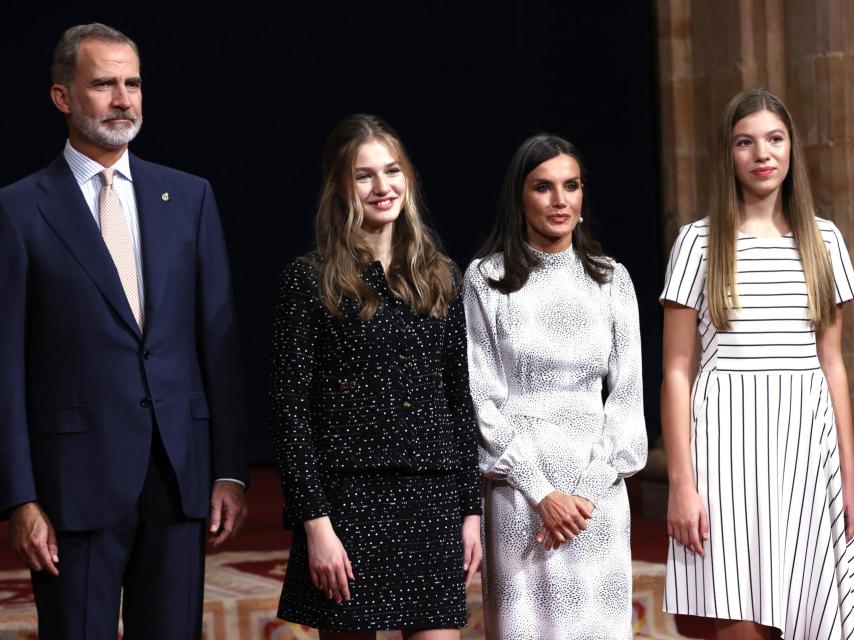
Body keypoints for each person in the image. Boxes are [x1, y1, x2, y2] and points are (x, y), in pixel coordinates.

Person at [0, 23, 249, 639]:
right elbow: (6, 366)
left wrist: (230, 470)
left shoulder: (188, 197)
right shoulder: (17, 209)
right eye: (103, 84)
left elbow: (218, 343)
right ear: (63, 97)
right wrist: (20, 499)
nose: (123, 99)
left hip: (177, 474)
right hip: (71, 484)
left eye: (132, 83)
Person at [268, 113, 482, 639]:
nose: (382, 187)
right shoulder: (309, 279)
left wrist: (470, 511)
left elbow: (459, 400)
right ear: (341, 187)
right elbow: (290, 412)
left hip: (431, 500)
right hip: (348, 504)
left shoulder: (441, 276)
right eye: (364, 175)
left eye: (392, 171)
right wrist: (316, 526)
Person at [661, 88, 854, 639]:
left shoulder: (825, 241)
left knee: (810, 612)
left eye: (774, 139)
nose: (761, 154)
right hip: (725, 444)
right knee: (742, 622)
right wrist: (681, 483)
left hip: (806, 445)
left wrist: (849, 474)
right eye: (745, 142)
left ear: (792, 148)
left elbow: (833, 365)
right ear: (729, 154)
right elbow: (676, 370)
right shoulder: (698, 243)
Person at [463, 134, 648, 640]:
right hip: (521, 492)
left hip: (597, 495)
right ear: (520, 197)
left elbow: (628, 395)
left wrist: (584, 494)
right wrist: (542, 492)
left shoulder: (613, 279)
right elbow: (481, 395)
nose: (560, 200)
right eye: (544, 187)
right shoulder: (487, 278)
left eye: (571, 186)